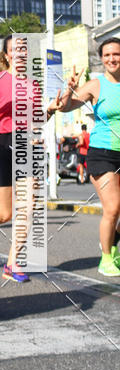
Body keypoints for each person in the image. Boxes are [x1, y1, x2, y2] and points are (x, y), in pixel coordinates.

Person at [0, 36, 55, 282]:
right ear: (6, 55)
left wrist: (51, 109)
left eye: (24, 49)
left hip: (26, 148)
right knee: (5, 213)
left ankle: (12, 263)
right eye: (15, 50)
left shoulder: (34, 85)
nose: (20, 53)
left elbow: (37, 120)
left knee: (28, 208)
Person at [55, 38, 120, 276]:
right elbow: (65, 107)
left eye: (117, 54)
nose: (112, 59)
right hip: (102, 153)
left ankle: (112, 247)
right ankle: (105, 259)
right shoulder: (96, 85)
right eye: (108, 55)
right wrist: (69, 87)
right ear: (102, 58)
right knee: (112, 208)